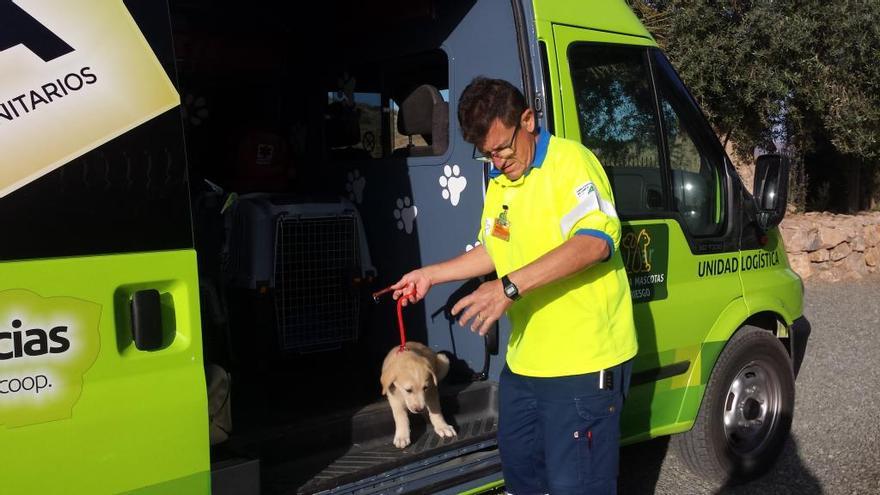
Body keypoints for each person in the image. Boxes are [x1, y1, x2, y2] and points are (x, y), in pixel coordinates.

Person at [390, 77, 637, 494]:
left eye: (503, 147)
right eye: (487, 154)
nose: (498, 160)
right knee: (522, 477)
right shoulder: (501, 182)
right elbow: (495, 249)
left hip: (583, 364)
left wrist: (507, 289)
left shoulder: (570, 163)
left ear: (528, 119)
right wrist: (431, 274)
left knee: (577, 486)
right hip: (526, 366)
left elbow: (595, 243)